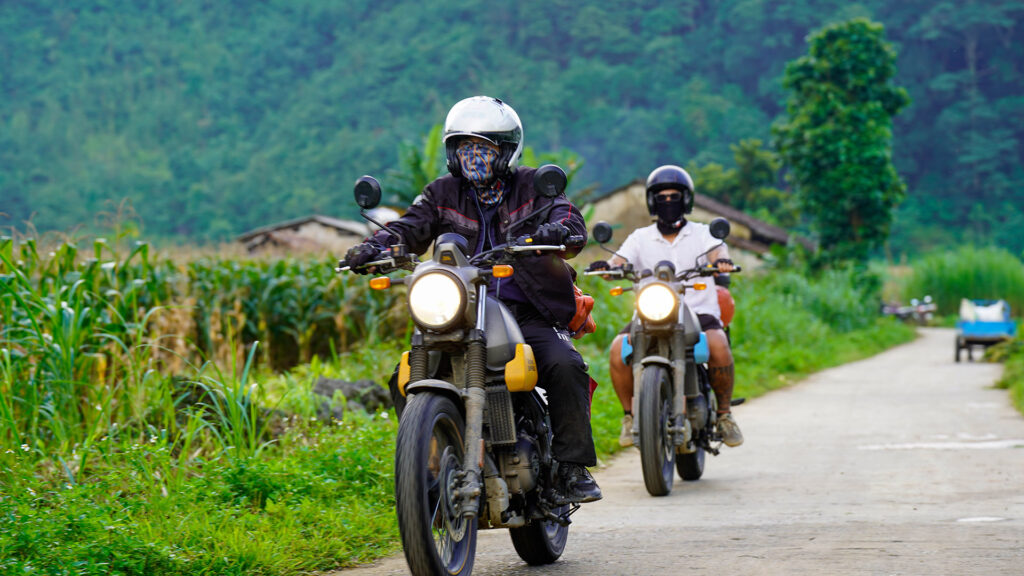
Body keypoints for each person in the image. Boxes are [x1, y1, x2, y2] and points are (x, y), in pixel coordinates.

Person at [344, 96, 601, 505]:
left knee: (564, 364)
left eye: (483, 147)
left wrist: (559, 232)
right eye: (464, 147)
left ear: (506, 150)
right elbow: (409, 229)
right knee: (402, 376)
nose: (472, 156)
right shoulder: (440, 193)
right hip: (457, 309)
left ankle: (571, 468)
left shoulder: (534, 187)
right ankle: (427, 467)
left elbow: (567, 217)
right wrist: (374, 248)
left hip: (526, 309)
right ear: (451, 151)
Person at [602, 165, 743, 448]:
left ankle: (725, 415)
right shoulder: (640, 237)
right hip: (652, 312)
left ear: (686, 199)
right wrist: (607, 267)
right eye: (662, 197)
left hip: (698, 311)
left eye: (674, 196)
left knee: (717, 343)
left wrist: (721, 262)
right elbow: (616, 263)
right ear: (653, 201)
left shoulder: (703, 234)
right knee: (618, 350)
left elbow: (719, 252)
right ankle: (630, 417)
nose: (668, 202)